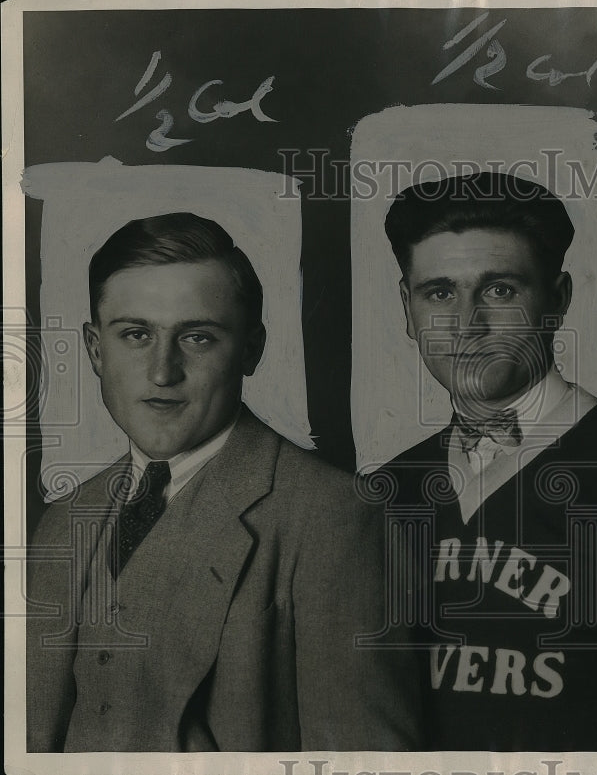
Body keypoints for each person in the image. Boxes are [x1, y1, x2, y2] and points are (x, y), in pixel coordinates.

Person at [372, 171, 597, 751]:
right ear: (407, 307)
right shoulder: (384, 493)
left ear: (559, 298)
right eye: (440, 292)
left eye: (499, 290)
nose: (468, 325)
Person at [26, 212, 420, 752]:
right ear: (95, 350)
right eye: (136, 335)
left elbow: (364, 761)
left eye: (198, 337)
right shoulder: (63, 520)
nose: (163, 371)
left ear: (252, 349)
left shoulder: (334, 517)